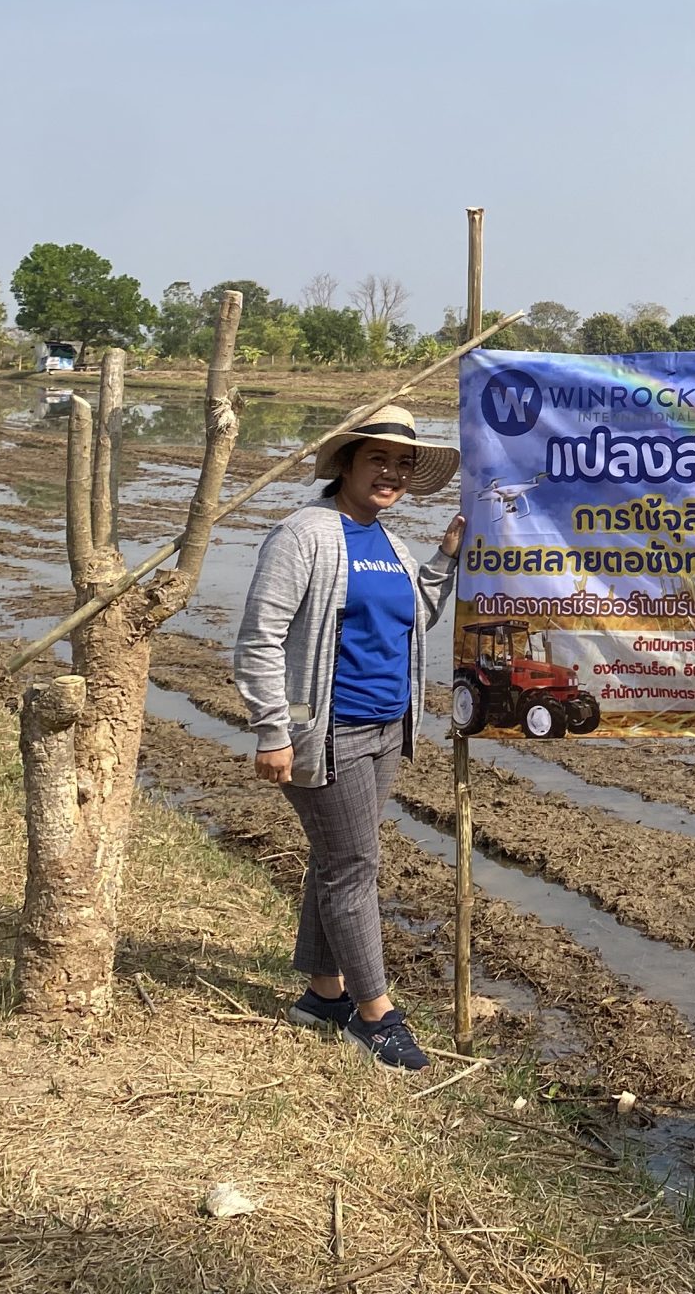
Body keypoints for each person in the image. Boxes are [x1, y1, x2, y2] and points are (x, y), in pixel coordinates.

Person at [233, 404, 462, 1072]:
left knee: (338, 861)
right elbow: (260, 635)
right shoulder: (305, 533)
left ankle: (323, 994)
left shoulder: (387, 541)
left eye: (402, 463)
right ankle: (376, 1017)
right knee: (355, 867)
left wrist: (445, 558)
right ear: (346, 464)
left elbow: (413, 615)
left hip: (386, 729)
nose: (390, 472)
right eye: (378, 459)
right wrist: (274, 730)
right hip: (326, 732)